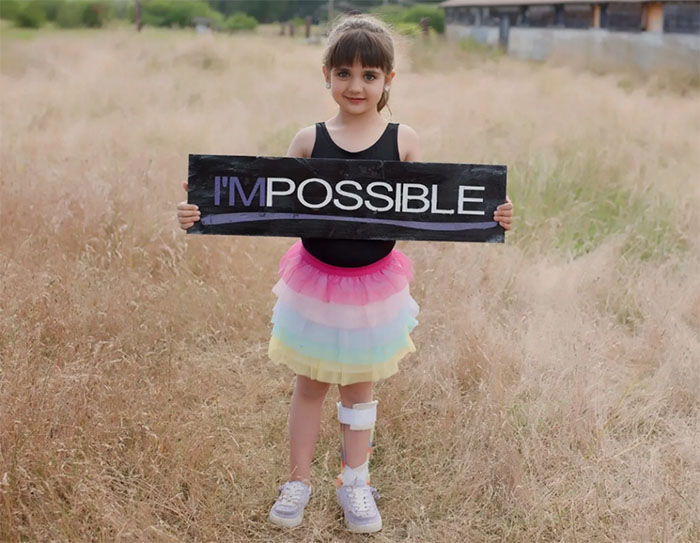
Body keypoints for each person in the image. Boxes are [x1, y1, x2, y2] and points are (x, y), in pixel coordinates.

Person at [176, 14, 513, 534]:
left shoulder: (404, 141)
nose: (356, 86)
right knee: (308, 385)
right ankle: (298, 483)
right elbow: (267, 200)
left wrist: (489, 214)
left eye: (370, 76)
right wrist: (204, 206)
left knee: (359, 389)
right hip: (316, 282)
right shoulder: (309, 139)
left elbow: (434, 204)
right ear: (327, 75)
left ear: (389, 81)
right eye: (345, 74)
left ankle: (355, 482)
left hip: (373, 287)